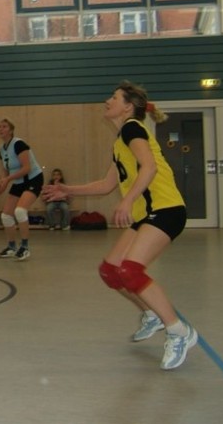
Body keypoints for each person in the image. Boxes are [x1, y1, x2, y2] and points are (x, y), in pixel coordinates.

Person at [42, 81, 196, 370]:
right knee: (110, 272)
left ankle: (179, 332)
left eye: (113, 97)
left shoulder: (132, 128)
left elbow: (149, 167)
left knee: (131, 270)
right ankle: (150, 314)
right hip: (147, 214)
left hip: (165, 209)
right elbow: (106, 185)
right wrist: (68, 190)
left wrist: (127, 202)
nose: (107, 100)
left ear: (128, 106)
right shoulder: (120, 140)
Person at [0, 118, 43, 261]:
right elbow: (6, 169)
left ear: (10, 130)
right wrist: (3, 182)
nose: (1, 129)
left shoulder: (19, 144)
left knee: (20, 211)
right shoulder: (1, 149)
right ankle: (11, 247)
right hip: (18, 181)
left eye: (4, 126)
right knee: (6, 215)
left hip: (33, 179)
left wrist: (8, 179)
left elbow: (26, 168)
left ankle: (25, 247)